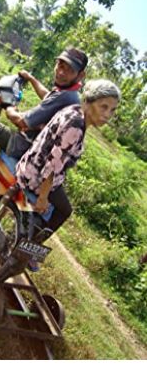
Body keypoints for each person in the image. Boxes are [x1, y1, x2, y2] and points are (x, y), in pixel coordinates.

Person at [0, 47, 88, 228]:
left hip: (23, 145)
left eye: (69, 70)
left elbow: (22, 122)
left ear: (80, 75)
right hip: (39, 155)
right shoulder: (71, 96)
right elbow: (48, 97)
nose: (61, 72)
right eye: (60, 65)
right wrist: (31, 79)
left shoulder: (66, 96)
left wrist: (8, 104)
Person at [16, 78, 121, 270]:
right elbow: (53, 166)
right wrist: (43, 197)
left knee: (59, 198)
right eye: (103, 107)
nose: (108, 115)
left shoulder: (74, 111)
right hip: (36, 175)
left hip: (31, 164)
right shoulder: (76, 128)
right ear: (88, 102)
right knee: (65, 210)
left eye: (112, 110)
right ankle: (30, 249)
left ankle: (28, 238)